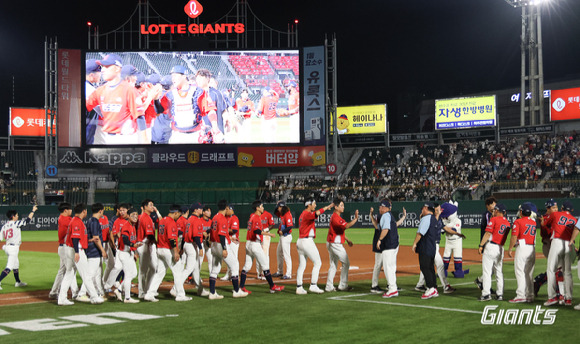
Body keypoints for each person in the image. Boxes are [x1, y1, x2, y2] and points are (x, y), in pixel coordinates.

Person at [85, 54, 148, 144]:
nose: (103, 70)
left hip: (124, 138)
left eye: (107, 67)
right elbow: (85, 107)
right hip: (105, 137)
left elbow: (140, 117)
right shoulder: (99, 91)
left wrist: (145, 139)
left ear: (117, 69)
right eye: (102, 67)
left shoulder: (129, 90)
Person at [58, 204, 104, 305]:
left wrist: (89, 239)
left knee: (69, 274)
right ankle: (94, 297)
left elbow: (78, 237)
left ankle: (62, 299)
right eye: (86, 211)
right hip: (76, 250)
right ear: (83, 211)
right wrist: (77, 252)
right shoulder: (76, 222)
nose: (86, 212)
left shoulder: (74, 220)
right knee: (86, 275)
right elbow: (75, 238)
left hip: (71, 249)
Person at [146, 204, 191, 302]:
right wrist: (175, 252)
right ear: (176, 213)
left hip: (160, 249)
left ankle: (150, 293)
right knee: (178, 271)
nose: (179, 216)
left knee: (160, 273)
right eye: (178, 214)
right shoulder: (171, 222)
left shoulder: (162, 220)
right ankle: (180, 295)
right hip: (167, 250)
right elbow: (171, 239)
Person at [240, 201, 285, 294]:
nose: (263, 207)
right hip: (254, 244)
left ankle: (241, 287)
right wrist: (269, 234)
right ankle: (272, 286)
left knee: (247, 266)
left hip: (248, 243)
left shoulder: (252, 216)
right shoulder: (256, 218)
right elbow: (257, 231)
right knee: (265, 265)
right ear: (257, 208)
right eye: (261, 206)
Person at [415, 202, 460, 294]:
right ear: (433, 209)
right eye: (438, 209)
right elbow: (433, 226)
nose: (440, 210)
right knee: (439, 265)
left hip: (434, 245)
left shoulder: (437, 218)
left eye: (440, 209)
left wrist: (457, 233)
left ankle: (420, 285)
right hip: (430, 244)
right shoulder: (430, 218)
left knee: (427, 265)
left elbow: (445, 228)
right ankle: (445, 286)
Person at [208, 200, 247, 299]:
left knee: (215, 269)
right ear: (225, 208)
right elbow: (221, 235)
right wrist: (224, 248)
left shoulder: (214, 217)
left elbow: (213, 232)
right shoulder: (222, 219)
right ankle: (236, 291)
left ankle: (212, 293)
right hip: (221, 245)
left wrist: (230, 238)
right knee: (235, 265)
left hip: (213, 245)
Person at [296, 198, 334, 295]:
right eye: (314, 203)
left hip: (300, 241)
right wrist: (326, 207)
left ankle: (299, 287)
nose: (315, 205)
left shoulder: (302, 214)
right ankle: (313, 285)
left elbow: (314, 215)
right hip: (307, 241)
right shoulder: (307, 214)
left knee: (302, 265)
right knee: (318, 263)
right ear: (309, 205)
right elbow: (316, 214)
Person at [543, 201, 576, 306]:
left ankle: (552, 297)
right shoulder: (575, 219)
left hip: (557, 241)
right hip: (569, 244)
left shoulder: (556, 214)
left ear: (562, 208)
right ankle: (568, 299)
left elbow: (545, 223)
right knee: (567, 272)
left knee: (551, 269)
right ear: (571, 210)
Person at [369, 202, 406, 293]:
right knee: (379, 264)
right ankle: (374, 286)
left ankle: (391, 284)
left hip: (385, 241)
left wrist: (404, 217)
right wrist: (371, 215)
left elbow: (394, 225)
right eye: (381, 206)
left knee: (389, 265)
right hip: (381, 241)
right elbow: (377, 226)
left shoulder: (387, 215)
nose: (391, 206)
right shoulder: (382, 215)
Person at [477, 203, 511, 301]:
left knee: (487, 272)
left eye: (495, 210)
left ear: (497, 210)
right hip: (500, 248)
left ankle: (486, 294)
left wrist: (481, 245)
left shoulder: (494, 219)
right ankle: (499, 294)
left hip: (491, 246)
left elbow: (487, 233)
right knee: (499, 272)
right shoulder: (507, 223)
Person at [0, 204, 37, 290]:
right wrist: (33, 210)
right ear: (13, 216)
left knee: (16, 265)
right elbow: (27, 220)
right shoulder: (16, 223)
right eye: (16, 215)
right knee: (9, 267)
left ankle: (18, 282)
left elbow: (0, 238)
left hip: (8, 247)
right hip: (13, 248)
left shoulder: (4, 226)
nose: (17, 216)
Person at [76, 203, 108, 301]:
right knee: (89, 275)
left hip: (93, 251)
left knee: (97, 274)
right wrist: (103, 250)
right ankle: (81, 294)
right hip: (94, 251)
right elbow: (96, 238)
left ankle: (99, 293)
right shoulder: (94, 222)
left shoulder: (90, 220)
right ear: (100, 211)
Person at [325, 198, 357, 292]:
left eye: (343, 205)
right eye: (341, 205)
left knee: (333, 265)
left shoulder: (336, 217)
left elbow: (338, 231)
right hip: (335, 244)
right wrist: (355, 219)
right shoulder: (335, 217)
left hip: (332, 242)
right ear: (336, 207)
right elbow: (346, 226)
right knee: (346, 263)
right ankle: (342, 285)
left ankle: (329, 286)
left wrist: (346, 239)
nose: (343, 207)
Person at [508, 202, 538, 303]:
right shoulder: (533, 222)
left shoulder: (518, 222)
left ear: (521, 212)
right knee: (529, 273)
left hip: (522, 247)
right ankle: (530, 295)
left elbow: (514, 236)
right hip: (532, 249)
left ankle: (520, 295)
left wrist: (510, 248)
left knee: (520, 272)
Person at [49, 203, 78, 299]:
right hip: (65, 248)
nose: (71, 211)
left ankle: (54, 291)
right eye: (70, 209)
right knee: (71, 269)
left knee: (63, 270)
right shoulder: (66, 220)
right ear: (65, 210)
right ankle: (75, 292)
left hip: (62, 247)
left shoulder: (62, 218)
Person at [412, 202, 440, 299]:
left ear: (426, 208)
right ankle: (433, 288)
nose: (421, 210)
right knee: (430, 268)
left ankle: (431, 288)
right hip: (432, 247)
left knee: (425, 267)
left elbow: (420, 233)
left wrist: (415, 243)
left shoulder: (426, 218)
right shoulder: (434, 219)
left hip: (425, 246)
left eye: (423, 208)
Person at [117, 208, 143, 303]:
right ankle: (127, 298)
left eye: (136, 214)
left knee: (134, 273)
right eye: (133, 214)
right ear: (128, 216)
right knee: (128, 275)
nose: (135, 216)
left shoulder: (132, 226)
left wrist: (135, 251)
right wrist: (133, 245)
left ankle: (119, 289)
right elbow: (125, 240)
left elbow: (132, 241)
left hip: (129, 253)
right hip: (124, 253)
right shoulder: (126, 226)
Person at [183, 202, 209, 296]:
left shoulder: (189, 219)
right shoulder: (196, 220)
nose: (202, 210)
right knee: (189, 268)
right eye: (200, 208)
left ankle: (200, 289)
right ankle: (175, 288)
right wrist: (201, 247)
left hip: (187, 244)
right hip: (192, 245)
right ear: (195, 210)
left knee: (196, 269)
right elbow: (196, 236)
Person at [136, 199, 160, 299]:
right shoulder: (145, 218)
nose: (152, 207)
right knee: (143, 270)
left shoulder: (145, 217)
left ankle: (147, 290)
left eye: (152, 205)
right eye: (150, 205)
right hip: (144, 244)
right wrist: (157, 243)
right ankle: (142, 293)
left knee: (153, 268)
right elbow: (150, 235)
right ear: (145, 207)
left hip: (144, 244)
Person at [475, 196, 497, 292]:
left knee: (492, 268)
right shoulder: (488, 215)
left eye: (495, 203)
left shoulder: (493, 214)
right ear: (488, 205)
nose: (494, 205)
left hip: (493, 243)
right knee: (490, 268)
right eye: (492, 204)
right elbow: (489, 227)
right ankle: (484, 285)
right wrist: (482, 245)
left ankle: (481, 281)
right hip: (488, 243)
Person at [441, 201, 468, 278]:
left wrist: (443, 228)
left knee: (457, 256)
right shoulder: (444, 221)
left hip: (457, 241)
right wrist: (444, 228)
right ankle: (443, 271)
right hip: (448, 241)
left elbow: (453, 230)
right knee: (446, 256)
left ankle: (459, 271)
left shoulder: (458, 221)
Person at [273, 201, 293, 279]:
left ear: (282, 207)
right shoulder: (282, 213)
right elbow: (275, 212)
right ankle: (280, 271)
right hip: (282, 237)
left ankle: (288, 274)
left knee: (286, 255)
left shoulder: (287, 214)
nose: (277, 209)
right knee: (279, 253)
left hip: (286, 236)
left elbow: (290, 226)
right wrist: (278, 203)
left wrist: (282, 231)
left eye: (278, 207)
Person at [220, 204, 240, 281]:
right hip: (229, 239)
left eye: (227, 209)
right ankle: (229, 275)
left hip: (234, 241)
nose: (226, 210)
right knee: (229, 258)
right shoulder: (225, 218)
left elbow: (234, 230)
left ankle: (234, 275)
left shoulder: (234, 218)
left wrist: (224, 229)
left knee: (234, 258)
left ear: (231, 210)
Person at [256, 205, 276, 280]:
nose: (263, 207)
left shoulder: (268, 215)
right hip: (258, 235)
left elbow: (272, 225)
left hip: (266, 235)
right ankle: (259, 273)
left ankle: (265, 272)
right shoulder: (254, 215)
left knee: (265, 253)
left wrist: (266, 229)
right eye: (261, 206)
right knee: (258, 253)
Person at [85, 59, 101, 145]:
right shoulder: (90, 91)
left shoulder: (85, 86)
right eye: (99, 71)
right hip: (86, 135)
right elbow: (102, 112)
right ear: (91, 75)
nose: (101, 74)